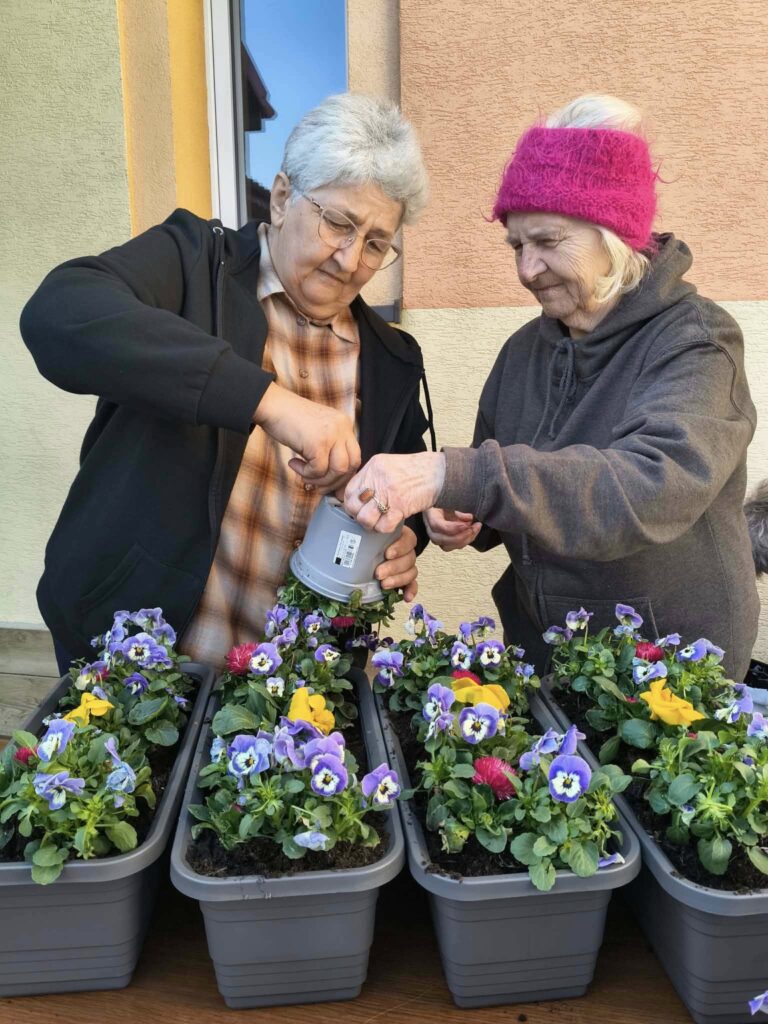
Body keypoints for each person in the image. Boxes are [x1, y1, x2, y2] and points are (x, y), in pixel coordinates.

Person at [342, 94, 759, 681]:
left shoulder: (697, 342)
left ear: (614, 234)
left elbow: (646, 489)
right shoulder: (523, 351)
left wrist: (450, 474)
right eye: (516, 245)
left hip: (669, 671)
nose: (526, 270)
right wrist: (467, 516)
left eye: (547, 241)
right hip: (546, 654)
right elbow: (501, 479)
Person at [21, 93, 434, 671]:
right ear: (285, 197)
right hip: (140, 663)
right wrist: (268, 400)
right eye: (339, 222)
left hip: (297, 698)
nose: (349, 259)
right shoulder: (194, 263)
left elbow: (401, 484)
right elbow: (60, 313)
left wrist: (402, 539)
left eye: (376, 243)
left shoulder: (392, 356)